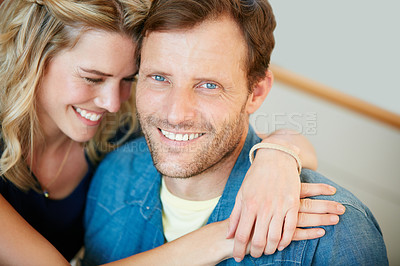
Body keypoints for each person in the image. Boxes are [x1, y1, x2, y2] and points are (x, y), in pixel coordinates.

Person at [0, 0, 342, 264]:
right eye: (92, 78)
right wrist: (228, 236)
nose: (114, 103)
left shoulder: (116, 133)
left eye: (129, 80)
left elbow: (220, 136)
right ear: (32, 58)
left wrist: (277, 157)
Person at [83, 0, 388, 265]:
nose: (175, 114)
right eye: (159, 78)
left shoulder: (333, 232)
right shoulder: (113, 176)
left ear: (256, 92)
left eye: (209, 85)